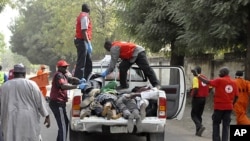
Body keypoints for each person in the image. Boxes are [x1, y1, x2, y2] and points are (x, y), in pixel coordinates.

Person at [0, 64, 50, 141]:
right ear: (24, 74)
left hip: (10, 119)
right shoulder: (32, 84)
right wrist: (47, 116)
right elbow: (40, 101)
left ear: (14, 74)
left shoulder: (5, 86)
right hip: (29, 120)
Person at [192, 67, 238, 141]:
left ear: (223, 72)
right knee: (226, 126)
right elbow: (236, 96)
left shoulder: (219, 80)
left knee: (216, 124)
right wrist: (232, 104)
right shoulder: (234, 82)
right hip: (229, 107)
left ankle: (216, 139)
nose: (219, 73)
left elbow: (207, 82)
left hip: (219, 107)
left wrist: (197, 75)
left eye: (220, 72)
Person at [49, 60, 87, 141]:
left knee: (64, 124)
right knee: (63, 126)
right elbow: (63, 86)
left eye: (66, 66)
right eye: (63, 67)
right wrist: (77, 86)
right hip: (57, 103)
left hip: (59, 103)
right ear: (59, 67)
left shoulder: (63, 74)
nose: (65, 68)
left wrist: (79, 81)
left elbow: (71, 79)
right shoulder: (59, 75)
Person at [74, 3, 93, 80]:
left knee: (88, 62)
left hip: (82, 40)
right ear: (89, 10)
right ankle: (78, 79)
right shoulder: (84, 16)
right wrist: (88, 43)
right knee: (81, 61)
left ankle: (87, 78)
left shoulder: (81, 15)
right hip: (82, 41)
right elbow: (84, 31)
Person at [190, 66, 209, 136]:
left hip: (197, 98)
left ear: (196, 71)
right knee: (199, 115)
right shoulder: (205, 78)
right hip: (203, 98)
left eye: (194, 71)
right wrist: (205, 93)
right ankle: (198, 131)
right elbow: (210, 87)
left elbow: (196, 88)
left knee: (193, 114)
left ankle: (200, 126)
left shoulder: (196, 78)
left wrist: (192, 95)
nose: (192, 73)